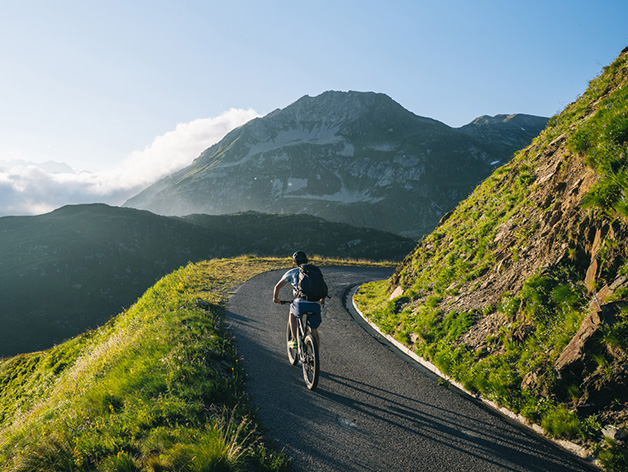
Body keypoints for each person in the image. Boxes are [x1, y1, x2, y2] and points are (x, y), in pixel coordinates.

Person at [273, 250, 324, 349]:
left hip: (300, 303)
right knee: (313, 330)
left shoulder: (292, 272)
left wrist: (276, 298)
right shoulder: (313, 271)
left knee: (292, 313)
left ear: (294, 262)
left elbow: (277, 287)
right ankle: (315, 354)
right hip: (315, 304)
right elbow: (320, 286)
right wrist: (321, 298)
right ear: (306, 260)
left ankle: (294, 340)